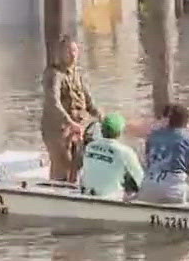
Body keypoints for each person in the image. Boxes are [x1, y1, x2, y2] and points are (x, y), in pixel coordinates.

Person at [42, 34, 99, 182]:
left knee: (77, 164)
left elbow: (88, 101)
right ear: (61, 53)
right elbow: (53, 102)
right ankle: (56, 193)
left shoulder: (77, 74)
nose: (72, 55)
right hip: (57, 129)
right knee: (62, 165)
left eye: (74, 51)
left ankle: (73, 192)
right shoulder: (54, 74)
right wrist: (70, 123)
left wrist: (101, 116)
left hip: (77, 128)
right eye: (68, 51)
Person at [78, 113, 143, 200]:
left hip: (86, 195)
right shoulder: (126, 152)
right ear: (120, 132)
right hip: (110, 199)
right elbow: (140, 179)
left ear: (101, 130)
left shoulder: (90, 146)